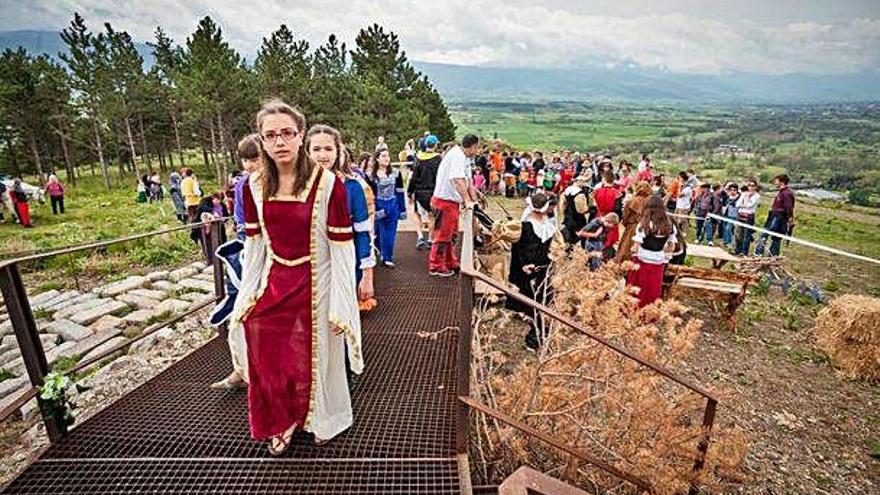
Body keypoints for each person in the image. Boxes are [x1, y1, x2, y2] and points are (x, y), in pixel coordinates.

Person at [231, 100, 363, 455]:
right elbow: (255, 246)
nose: (279, 142)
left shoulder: (328, 184)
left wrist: (341, 302)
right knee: (265, 341)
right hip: (276, 281)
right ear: (261, 140)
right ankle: (281, 417)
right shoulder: (253, 185)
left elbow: (340, 249)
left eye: (287, 133)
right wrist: (247, 293)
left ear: (300, 135)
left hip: (316, 279)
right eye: (270, 135)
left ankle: (323, 417)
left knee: (316, 350)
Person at [209, 134, 265, 391]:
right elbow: (243, 223)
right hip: (250, 251)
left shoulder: (281, 181)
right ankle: (241, 370)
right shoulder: (243, 185)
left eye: (255, 159)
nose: (249, 165)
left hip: (279, 254)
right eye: (245, 160)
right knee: (240, 314)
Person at [505, 192, 558, 350]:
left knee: (533, 299)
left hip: (534, 268)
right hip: (536, 267)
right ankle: (536, 331)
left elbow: (519, 250)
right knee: (534, 299)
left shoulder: (533, 225)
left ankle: (537, 332)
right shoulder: (540, 226)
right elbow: (523, 249)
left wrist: (524, 264)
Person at [429, 134, 480, 277]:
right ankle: (436, 265)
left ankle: (450, 261)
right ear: (472, 146)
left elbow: (468, 181)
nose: (477, 151)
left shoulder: (465, 159)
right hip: (444, 201)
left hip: (452, 202)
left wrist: (474, 200)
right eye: (476, 148)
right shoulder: (457, 156)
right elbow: (458, 180)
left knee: (452, 234)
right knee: (442, 235)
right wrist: (466, 200)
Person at [626, 196, 677, 308]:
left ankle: (634, 309)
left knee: (639, 286)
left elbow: (636, 246)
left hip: (642, 258)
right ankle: (650, 310)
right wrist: (666, 255)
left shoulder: (644, 224)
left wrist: (631, 254)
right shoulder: (669, 224)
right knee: (653, 287)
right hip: (658, 259)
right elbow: (671, 245)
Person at [371, 149, 406, 267]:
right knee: (379, 232)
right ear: (377, 159)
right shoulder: (371, 175)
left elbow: (400, 192)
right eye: (383, 156)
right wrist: (374, 210)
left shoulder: (396, 173)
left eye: (388, 156)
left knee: (391, 232)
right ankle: (380, 251)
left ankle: (388, 257)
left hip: (393, 204)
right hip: (379, 205)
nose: (386, 158)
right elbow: (371, 195)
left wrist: (402, 209)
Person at [408, 135, 442, 250]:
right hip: (433, 192)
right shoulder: (438, 159)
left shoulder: (418, 157)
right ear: (435, 145)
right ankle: (430, 239)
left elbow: (413, 177)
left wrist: (409, 192)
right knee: (432, 216)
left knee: (417, 214)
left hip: (419, 191)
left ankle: (420, 237)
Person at [755, 174, 795, 257]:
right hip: (773, 216)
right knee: (765, 235)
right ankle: (760, 253)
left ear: (782, 182)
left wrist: (790, 218)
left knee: (771, 236)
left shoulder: (787, 193)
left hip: (779, 218)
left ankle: (772, 256)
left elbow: (789, 207)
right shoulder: (781, 192)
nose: (775, 183)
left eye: (776, 181)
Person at [616, 181, 652, 263]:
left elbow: (625, 216)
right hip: (645, 228)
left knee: (626, 248)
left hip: (632, 227)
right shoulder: (650, 203)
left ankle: (624, 266)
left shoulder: (631, 201)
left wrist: (626, 224)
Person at [560, 174, 592, 246]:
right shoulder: (580, 194)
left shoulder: (566, 191)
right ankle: (582, 249)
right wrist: (589, 210)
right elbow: (581, 209)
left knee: (569, 238)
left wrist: (564, 214)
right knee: (582, 235)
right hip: (578, 219)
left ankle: (568, 251)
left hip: (568, 217)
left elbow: (562, 206)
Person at [734, 179, 761, 255]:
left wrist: (745, 201)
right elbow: (737, 204)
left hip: (749, 216)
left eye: (753, 186)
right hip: (740, 215)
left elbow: (749, 205)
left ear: (755, 187)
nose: (751, 187)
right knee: (738, 233)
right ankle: (737, 250)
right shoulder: (744, 193)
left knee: (746, 235)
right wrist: (744, 203)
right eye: (749, 185)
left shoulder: (757, 196)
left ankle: (744, 252)